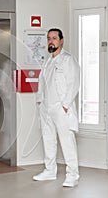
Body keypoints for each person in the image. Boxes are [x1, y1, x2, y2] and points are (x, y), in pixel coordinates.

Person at [33, 28, 80, 187]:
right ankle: (50, 170)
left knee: (67, 141)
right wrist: (40, 102)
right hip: (46, 107)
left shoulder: (67, 59)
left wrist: (65, 105)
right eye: (48, 38)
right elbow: (43, 84)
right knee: (48, 140)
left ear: (61, 40)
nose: (51, 41)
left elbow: (74, 83)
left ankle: (72, 175)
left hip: (60, 108)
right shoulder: (48, 61)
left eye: (54, 38)